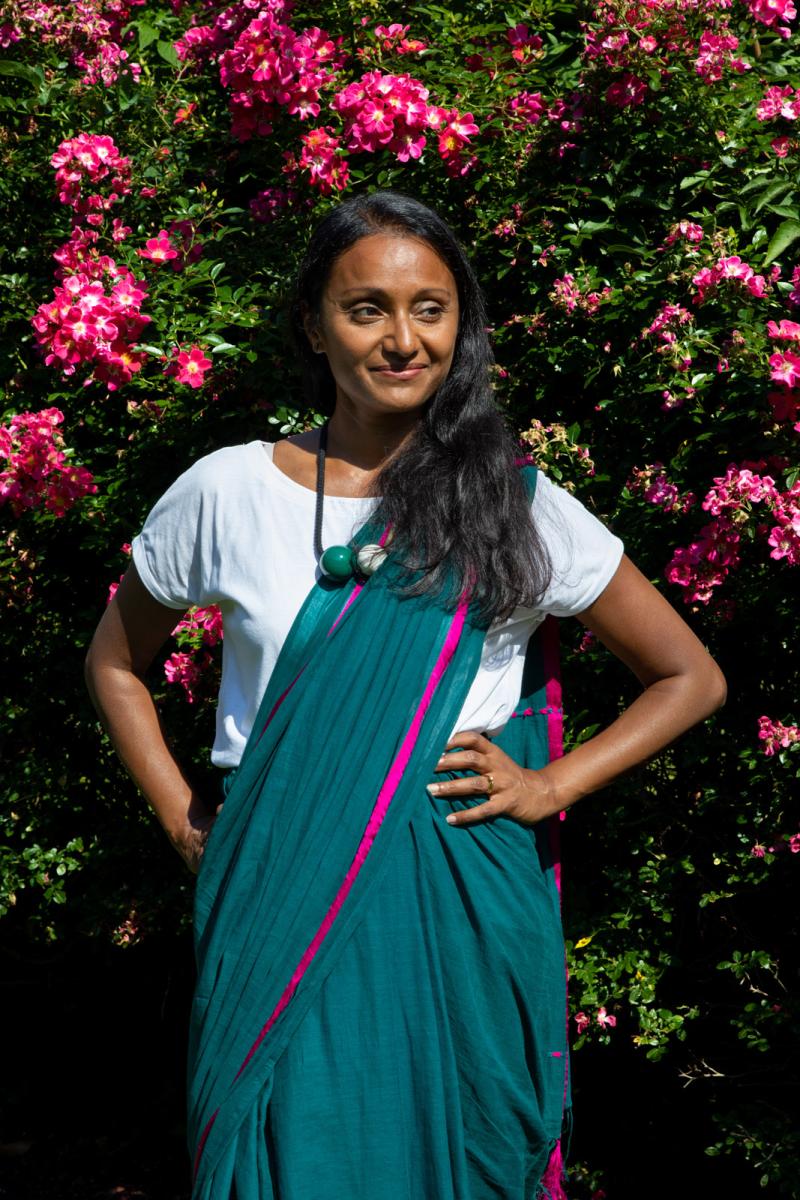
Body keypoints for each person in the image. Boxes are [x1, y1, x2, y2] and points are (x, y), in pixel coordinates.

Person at [84, 189, 726, 1200]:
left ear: (460, 326)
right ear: (314, 324)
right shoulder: (227, 492)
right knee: (286, 1147)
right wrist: (178, 814)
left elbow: (688, 675)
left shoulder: (511, 504)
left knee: (467, 1147)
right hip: (276, 867)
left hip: (456, 868)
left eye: (430, 309)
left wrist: (548, 786)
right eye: (366, 309)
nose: (401, 339)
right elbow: (115, 661)